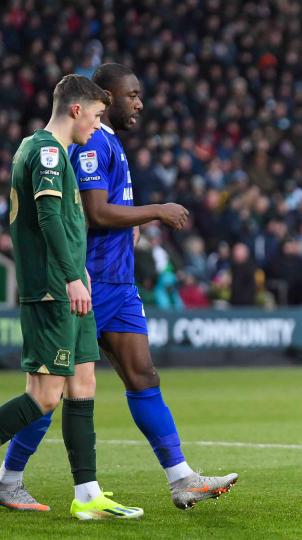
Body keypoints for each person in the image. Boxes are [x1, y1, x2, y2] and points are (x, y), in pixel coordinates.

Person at [0, 64, 237, 512]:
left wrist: (131, 224)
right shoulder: (83, 145)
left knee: (138, 376)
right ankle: (12, 478)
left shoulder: (100, 141)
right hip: (87, 281)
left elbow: (101, 211)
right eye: (131, 95)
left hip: (116, 281)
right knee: (52, 390)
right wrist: (154, 211)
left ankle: (174, 479)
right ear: (101, 100)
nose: (138, 103)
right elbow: (94, 212)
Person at [0, 74, 143, 519]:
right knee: (43, 398)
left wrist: (79, 268)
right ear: (76, 110)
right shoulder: (45, 151)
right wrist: (71, 277)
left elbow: (66, 220)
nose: (99, 127)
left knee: (83, 385)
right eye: (98, 117)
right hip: (52, 290)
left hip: (71, 284)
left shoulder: (57, 152)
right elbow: (47, 218)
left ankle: (87, 496)